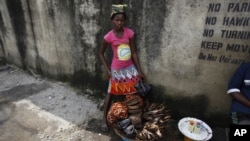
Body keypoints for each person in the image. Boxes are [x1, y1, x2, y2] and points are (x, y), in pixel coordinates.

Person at [99, 4, 145, 131]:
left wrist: (139, 71)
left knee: (133, 93)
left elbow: (134, 52)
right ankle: (103, 119)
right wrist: (108, 70)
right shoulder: (109, 36)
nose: (119, 22)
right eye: (117, 20)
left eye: (122, 20)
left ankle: (132, 118)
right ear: (112, 20)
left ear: (125, 21)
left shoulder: (129, 33)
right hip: (116, 70)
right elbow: (100, 53)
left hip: (129, 69)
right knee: (111, 93)